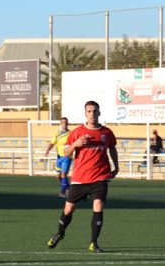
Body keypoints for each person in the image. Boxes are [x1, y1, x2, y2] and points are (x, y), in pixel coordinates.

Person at [46, 100, 118, 253]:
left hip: (100, 177)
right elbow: (65, 152)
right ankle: (59, 233)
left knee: (98, 206)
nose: (92, 114)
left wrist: (116, 166)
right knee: (69, 209)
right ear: (85, 114)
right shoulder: (77, 132)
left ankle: (93, 243)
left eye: (95, 111)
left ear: (99, 113)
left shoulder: (107, 133)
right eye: (89, 111)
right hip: (80, 178)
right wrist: (76, 144)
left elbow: (112, 149)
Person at [43, 117, 72, 198]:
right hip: (59, 157)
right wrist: (48, 150)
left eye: (65, 122)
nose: (64, 124)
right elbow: (52, 143)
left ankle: (62, 192)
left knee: (63, 174)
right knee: (59, 176)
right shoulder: (57, 134)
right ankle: (68, 188)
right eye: (62, 122)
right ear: (60, 124)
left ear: (67, 124)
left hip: (67, 156)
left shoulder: (71, 134)